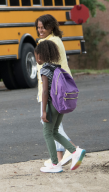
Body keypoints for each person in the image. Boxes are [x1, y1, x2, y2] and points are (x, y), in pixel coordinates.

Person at [35, 40, 86, 173]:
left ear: (40, 55)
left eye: (36, 55)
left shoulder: (45, 69)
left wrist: (44, 110)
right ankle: (74, 151)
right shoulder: (57, 67)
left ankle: (55, 164)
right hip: (60, 104)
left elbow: (45, 91)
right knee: (55, 131)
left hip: (51, 105)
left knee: (47, 133)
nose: (36, 58)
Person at [35, 14, 76, 167]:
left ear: (51, 27)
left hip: (52, 92)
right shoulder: (56, 40)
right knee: (55, 127)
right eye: (38, 28)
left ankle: (74, 150)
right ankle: (59, 158)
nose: (40, 30)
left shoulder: (48, 43)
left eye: (43, 27)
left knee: (49, 127)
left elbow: (45, 71)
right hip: (61, 89)